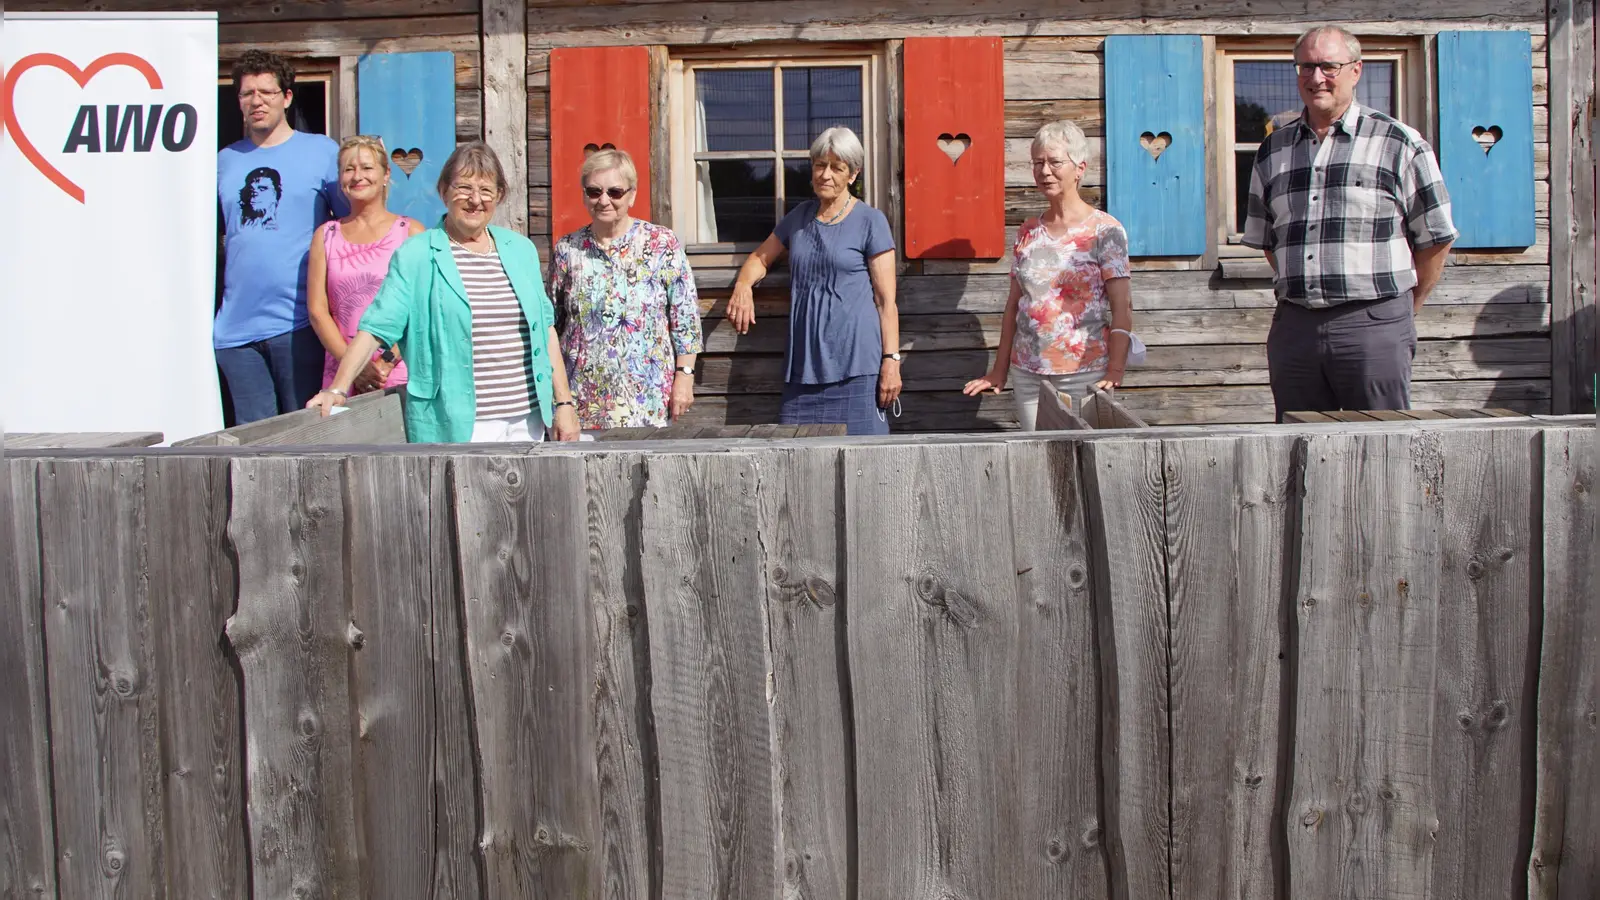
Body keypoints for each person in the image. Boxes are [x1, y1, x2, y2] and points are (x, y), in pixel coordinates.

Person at [1243, 25, 1457, 421]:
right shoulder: (1274, 149)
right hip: (1296, 327)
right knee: (1296, 445)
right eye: (1305, 67)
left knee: (1382, 448)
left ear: (1356, 71)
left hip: (1374, 323)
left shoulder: (1399, 143)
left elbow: (1435, 238)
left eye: (1328, 66)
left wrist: (1407, 307)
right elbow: (1271, 242)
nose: (1316, 77)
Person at [306, 142, 581, 443]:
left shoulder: (520, 250)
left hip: (527, 421)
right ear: (443, 191)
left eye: (486, 190)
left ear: (499, 196)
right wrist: (337, 388)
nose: (475, 200)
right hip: (458, 424)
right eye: (463, 187)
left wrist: (564, 403)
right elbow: (375, 327)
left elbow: (545, 330)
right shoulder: (416, 254)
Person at [725, 126, 900, 435]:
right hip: (804, 368)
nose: (825, 175)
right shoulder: (800, 217)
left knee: (865, 465)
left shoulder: (871, 221)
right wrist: (743, 286)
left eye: (837, 167)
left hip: (858, 367)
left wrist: (891, 361)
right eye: (820, 165)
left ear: (853, 174)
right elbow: (759, 259)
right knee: (798, 465)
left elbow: (886, 302)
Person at [962, 120, 1133, 430]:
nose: (1044, 171)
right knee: (1039, 461)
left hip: (1085, 372)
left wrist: (1115, 370)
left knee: (1081, 461)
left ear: (1079, 168)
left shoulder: (1105, 230)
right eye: (1038, 162)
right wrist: (999, 371)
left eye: (1054, 162)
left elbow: (1123, 308)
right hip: (1028, 374)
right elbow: (1014, 306)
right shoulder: (1028, 231)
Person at [215, 50, 347, 424]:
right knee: (251, 444)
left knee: (302, 435)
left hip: (299, 325)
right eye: (247, 94)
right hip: (234, 332)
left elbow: (349, 228)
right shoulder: (223, 160)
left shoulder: (322, 151)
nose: (256, 102)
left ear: (287, 97)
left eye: (267, 92)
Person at [550, 149, 703, 429]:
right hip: (582, 401)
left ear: (631, 195)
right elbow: (554, 324)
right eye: (594, 192)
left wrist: (685, 375)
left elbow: (686, 319)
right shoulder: (567, 250)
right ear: (585, 195)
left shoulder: (661, 243)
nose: (604, 200)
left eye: (615, 192)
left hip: (646, 400)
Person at [307, 135, 424, 396]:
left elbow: (420, 307)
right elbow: (317, 311)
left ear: (385, 175)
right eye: (349, 169)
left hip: (397, 372)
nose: (357, 176)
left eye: (367, 168)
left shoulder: (411, 232)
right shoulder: (326, 236)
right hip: (342, 374)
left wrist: (385, 363)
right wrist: (355, 366)